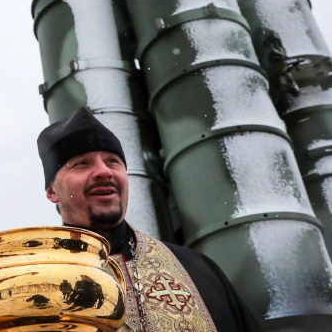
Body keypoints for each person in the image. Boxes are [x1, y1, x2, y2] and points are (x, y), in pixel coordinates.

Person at [37, 107, 264, 332]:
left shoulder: (198, 270)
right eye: (81, 163)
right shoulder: (35, 288)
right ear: (52, 191)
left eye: (113, 161)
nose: (103, 171)